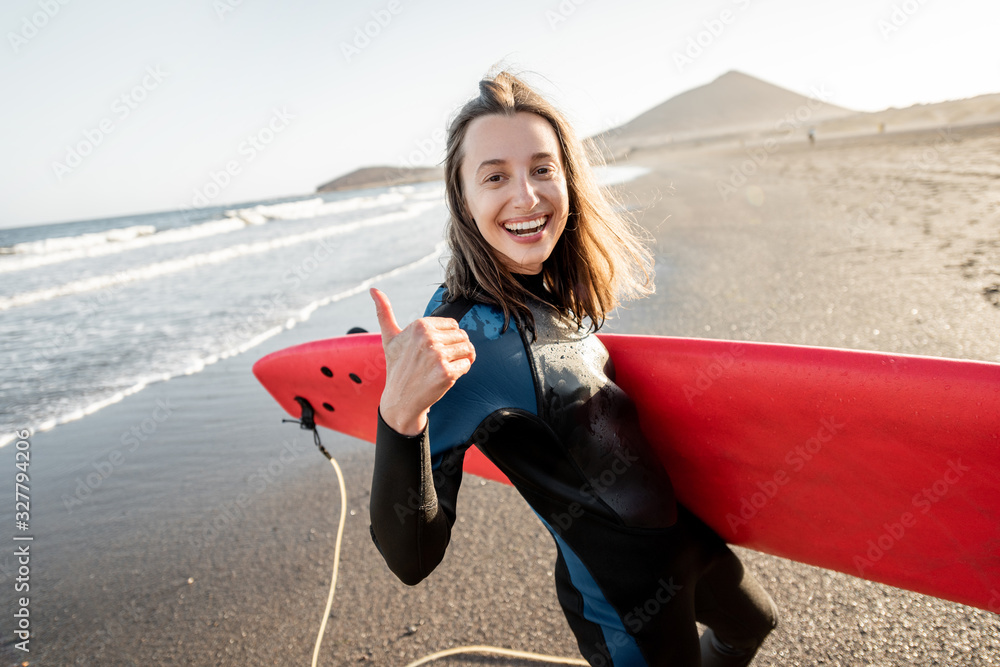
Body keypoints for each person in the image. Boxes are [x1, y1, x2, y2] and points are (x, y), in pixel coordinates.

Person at [368, 70, 778, 666]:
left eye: (542, 168)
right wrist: (399, 415)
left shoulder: (552, 287)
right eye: (495, 177)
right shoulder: (461, 337)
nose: (527, 196)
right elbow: (412, 559)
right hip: (622, 601)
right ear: (463, 199)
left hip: (681, 542)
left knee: (753, 623)